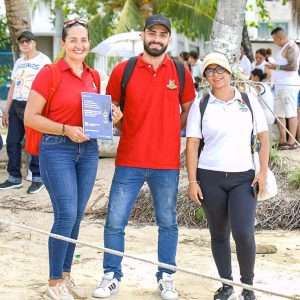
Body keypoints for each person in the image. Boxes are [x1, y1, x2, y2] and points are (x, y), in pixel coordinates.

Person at [92, 14, 195, 300]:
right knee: (115, 221)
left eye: (163, 34)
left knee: (168, 223)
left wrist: (173, 128)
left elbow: (188, 108)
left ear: (169, 39)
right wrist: (119, 122)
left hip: (166, 164)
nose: (157, 39)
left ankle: (166, 277)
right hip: (129, 160)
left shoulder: (181, 71)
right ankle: (111, 275)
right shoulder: (122, 71)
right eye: (153, 33)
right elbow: (109, 110)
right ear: (143, 35)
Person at [24, 20, 120, 300]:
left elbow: (92, 118)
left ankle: (66, 276)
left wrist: (111, 117)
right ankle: (54, 283)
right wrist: (65, 129)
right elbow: (31, 117)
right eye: (73, 40)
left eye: (84, 40)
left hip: (88, 151)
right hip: (57, 149)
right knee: (65, 214)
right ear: (63, 44)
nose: (79, 45)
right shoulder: (49, 73)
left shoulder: (93, 76)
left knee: (76, 216)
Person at [186, 52, 269, 300]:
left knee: (243, 232)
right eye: (210, 71)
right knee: (219, 234)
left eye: (219, 69)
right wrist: (192, 181)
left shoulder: (248, 100)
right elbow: (192, 144)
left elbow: (264, 138)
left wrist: (262, 172)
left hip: (244, 177)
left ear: (229, 71)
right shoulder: (201, 104)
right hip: (210, 177)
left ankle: (248, 287)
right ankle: (226, 285)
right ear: (205, 77)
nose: (216, 75)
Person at [0, 31, 51, 193]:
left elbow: (49, 86)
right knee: (13, 141)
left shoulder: (44, 61)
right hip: (16, 104)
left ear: (34, 42)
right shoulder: (19, 62)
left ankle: (38, 178)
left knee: (34, 142)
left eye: (28, 41)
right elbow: (13, 87)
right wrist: (7, 110)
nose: (25, 45)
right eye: (21, 42)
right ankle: (14, 178)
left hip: (34, 106)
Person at [266, 27, 300, 150]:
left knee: (290, 112)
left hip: (289, 86)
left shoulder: (291, 47)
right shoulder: (283, 48)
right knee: (279, 113)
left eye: (274, 39)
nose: (274, 42)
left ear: (280, 38)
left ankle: (291, 141)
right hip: (280, 86)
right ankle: (282, 140)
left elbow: (293, 66)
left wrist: (276, 66)